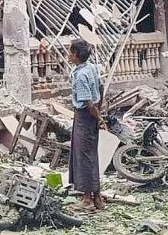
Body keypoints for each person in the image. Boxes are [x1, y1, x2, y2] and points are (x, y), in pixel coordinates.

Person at [68, 38, 106, 211]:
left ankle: (86, 199)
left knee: (83, 157)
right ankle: (97, 197)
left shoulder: (82, 75)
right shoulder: (91, 68)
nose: (68, 55)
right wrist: (100, 111)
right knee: (91, 155)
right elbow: (100, 87)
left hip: (85, 116)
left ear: (76, 54)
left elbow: (88, 103)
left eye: (70, 52)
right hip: (91, 115)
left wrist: (99, 118)